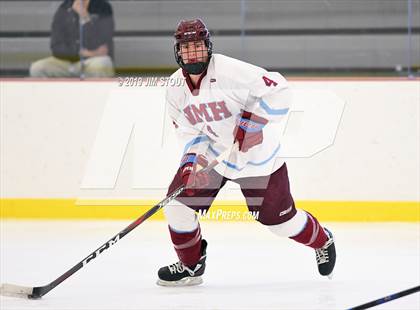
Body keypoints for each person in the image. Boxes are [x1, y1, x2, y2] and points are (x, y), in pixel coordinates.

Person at [157, 18, 336, 286]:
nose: (193, 54)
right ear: (178, 52)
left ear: (208, 47)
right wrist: (192, 163)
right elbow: (190, 133)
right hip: (216, 157)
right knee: (176, 207)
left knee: (281, 225)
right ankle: (191, 266)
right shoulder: (175, 89)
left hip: (259, 159)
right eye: (187, 48)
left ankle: (323, 239)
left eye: (198, 47)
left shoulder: (231, 71)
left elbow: (280, 90)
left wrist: (254, 122)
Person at [29, 0, 114, 78]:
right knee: (37, 68)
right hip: (65, 62)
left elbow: (103, 44)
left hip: (90, 62)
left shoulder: (103, 7)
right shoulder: (64, 8)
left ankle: (97, 94)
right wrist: (81, 53)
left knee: (102, 64)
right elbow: (56, 46)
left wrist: (85, 16)